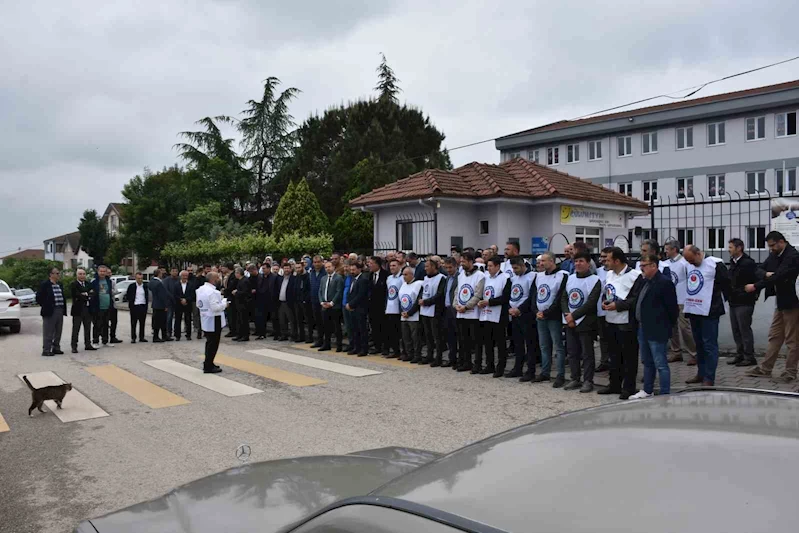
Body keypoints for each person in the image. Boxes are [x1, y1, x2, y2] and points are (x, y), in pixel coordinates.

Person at [745, 231, 799, 382]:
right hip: (780, 303)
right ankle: (765, 369)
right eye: (769, 246)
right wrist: (767, 274)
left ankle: (790, 372)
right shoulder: (775, 254)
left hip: (793, 304)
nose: (771, 249)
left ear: (782, 241)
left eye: (773, 245)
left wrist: (756, 286)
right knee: (775, 336)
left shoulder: (792, 256)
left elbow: (780, 276)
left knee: (792, 339)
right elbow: (759, 269)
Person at [629, 253, 678, 399]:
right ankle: (647, 390)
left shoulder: (664, 282)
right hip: (643, 327)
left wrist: (666, 326)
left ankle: (664, 393)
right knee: (647, 361)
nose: (641, 269)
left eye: (644, 266)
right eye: (641, 266)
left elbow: (672, 309)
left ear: (654, 266)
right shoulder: (645, 281)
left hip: (657, 329)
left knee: (660, 363)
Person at [682, 245, 730, 386]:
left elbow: (726, 285)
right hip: (694, 309)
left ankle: (709, 378)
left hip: (710, 310)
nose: (691, 263)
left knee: (709, 345)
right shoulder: (688, 265)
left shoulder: (715, 264)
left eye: (692, 260)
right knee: (699, 345)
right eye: (688, 261)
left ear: (698, 254)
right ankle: (701, 373)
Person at [599, 247, 643, 400]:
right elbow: (608, 292)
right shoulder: (609, 274)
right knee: (614, 355)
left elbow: (636, 300)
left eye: (608, 260)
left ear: (617, 261)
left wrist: (618, 305)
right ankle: (614, 384)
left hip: (626, 322)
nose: (605, 262)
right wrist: (605, 303)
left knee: (629, 356)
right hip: (610, 320)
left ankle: (628, 387)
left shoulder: (635, 276)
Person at [561, 251, 601, 393]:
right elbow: (564, 298)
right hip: (569, 321)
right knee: (572, 352)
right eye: (576, 261)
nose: (577, 264)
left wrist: (574, 316)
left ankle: (588, 380)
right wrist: (567, 315)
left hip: (586, 321)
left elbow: (591, 303)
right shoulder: (570, 278)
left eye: (581, 261)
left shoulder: (595, 280)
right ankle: (575, 378)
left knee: (587, 353)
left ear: (588, 263)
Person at [534, 252, 569, 385]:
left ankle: (560, 375)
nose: (541, 264)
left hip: (554, 316)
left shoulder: (563, 275)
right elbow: (534, 295)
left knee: (558, 347)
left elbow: (560, 297)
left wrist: (547, 312)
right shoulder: (539, 276)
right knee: (544, 346)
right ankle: (545, 372)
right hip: (540, 315)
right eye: (540, 261)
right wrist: (536, 311)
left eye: (544, 261)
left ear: (552, 261)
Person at [663, 240, 697, 364]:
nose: (665, 251)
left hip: (682, 298)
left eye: (667, 249)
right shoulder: (665, 264)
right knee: (672, 327)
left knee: (684, 327)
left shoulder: (685, 263)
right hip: (670, 299)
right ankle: (676, 351)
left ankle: (694, 353)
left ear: (674, 250)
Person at [476, 256, 511, 377]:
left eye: (491, 266)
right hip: (486, 314)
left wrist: (489, 302)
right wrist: (481, 301)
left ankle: (500, 367)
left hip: (499, 315)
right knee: (488, 342)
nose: (489, 268)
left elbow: (505, 297)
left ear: (497, 266)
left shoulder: (505, 278)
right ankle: (489, 365)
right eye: (488, 266)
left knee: (500, 343)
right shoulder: (486, 277)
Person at [726, 238, 758, 367]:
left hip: (744, 301)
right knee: (736, 330)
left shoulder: (748, 263)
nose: (729, 250)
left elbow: (754, 281)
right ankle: (740, 354)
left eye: (731, 247)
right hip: (734, 301)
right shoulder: (733, 262)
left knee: (744, 329)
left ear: (739, 248)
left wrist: (747, 294)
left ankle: (749, 356)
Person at [507, 256, 538, 381]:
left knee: (530, 344)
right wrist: (511, 308)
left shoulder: (532, 277)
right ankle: (517, 368)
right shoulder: (514, 278)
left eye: (516, 268)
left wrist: (520, 309)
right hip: (514, 315)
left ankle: (530, 370)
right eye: (513, 268)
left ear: (523, 265)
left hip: (526, 315)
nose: (514, 270)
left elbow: (531, 296)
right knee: (518, 343)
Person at [455, 252, 485, 372]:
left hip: (473, 313)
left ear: (471, 261)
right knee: (463, 339)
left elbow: (478, 294)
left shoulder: (480, 275)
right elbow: (457, 291)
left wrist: (466, 307)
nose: (462, 263)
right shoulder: (461, 274)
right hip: (460, 312)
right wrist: (456, 305)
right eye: (461, 261)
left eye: (464, 261)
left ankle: (477, 364)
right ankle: (466, 362)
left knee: (476, 341)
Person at [196, 271, 227, 373]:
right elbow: (215, 308)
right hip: (214, 319)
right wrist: (224, 303)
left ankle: (209, 362)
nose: (219, 280)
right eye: (217, 278)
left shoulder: (200, 290)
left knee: (209, 342)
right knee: (213, 344)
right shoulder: (213, 292)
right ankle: (208, 365)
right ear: (213, 280)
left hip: (205, 317)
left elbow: (198, 304)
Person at [419, 257, 446, 366]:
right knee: (428, 335)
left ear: (434, 267)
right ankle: (429, 355)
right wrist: (421, 299)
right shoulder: (425, 278)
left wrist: (427, 302)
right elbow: (422, 291)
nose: (425, 269)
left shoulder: (441, 278)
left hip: (435, 310)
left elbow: (440, 294)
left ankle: (438, 357)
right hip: (424, 310)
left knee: (437, 336)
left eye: (427, 266)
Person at [36, 266, 66, 356]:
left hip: (59, 309)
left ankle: (56, 347)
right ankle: (46, 349)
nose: (58, 275)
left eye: (58, 273)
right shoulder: (45, 284)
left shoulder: (59, 284)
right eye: (56, 273)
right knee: (48, 331)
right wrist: (46, 305)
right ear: (51, 274)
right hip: (50, 311)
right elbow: (38, 297)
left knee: (58, 330)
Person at [399, 266, 424, 363]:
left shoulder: (418, 284)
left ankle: (417, 355)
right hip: (404, 315)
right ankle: (409, 354)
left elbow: (417, 301)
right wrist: (402, 312)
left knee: (415, 337)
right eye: (403, 275)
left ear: (412, 275)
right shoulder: (403, 285)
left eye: (406, 275)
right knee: (406, 336)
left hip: (414, 316)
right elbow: (400, 300)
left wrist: (409, 313)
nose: (404, 277)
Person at [318, 261, 344, 352]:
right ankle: (327, 344)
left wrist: (332, 303)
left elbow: (339, 292)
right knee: (326, 326)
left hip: (334, 306)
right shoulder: (323, 278)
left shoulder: (338, 278)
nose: (327, 269)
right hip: (324, 305)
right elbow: (320, 291)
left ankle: (339, 345)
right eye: (326, 267)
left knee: (337, 326)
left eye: (329, 267)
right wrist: (322, 302)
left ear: (333, 267)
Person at [69, 268, 96, 354]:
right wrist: (85, 295)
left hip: (88, 310)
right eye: (80, 274)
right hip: (78, 310)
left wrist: (84, 294)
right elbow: (77, 295)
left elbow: (93, 293)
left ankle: (88, 344)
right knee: (76, 329)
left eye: (83, 274)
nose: (82, 275)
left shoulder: (89, 284)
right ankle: (74, 346)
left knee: (88, 328)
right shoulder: (74, 284)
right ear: (77, 275)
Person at [346, 261, 369, 356]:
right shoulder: (352, 279)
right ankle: (356, 347)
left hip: (360, 308)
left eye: (354, 270)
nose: (352, 271)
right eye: (351, 270)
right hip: (353, 308)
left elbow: (361, 295)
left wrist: (351, 304)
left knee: (361, 329)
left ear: (359, 269)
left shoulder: (363, 279)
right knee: (354, 329)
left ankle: (363, 349)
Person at [367, 256, 389, 355]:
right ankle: (377, 346)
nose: (369, 265)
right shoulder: (370, 275)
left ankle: (385, 347)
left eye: (371, 263)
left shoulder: (385, 275)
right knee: (374, 327)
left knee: (383, 327)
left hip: (382, 306)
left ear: (377, 264)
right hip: (372, 306)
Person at [595, 247, 612, 372]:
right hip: (601, 309)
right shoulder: (598, 271)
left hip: (614, 309)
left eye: (605, 257)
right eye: (602, 257)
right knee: (603, 337)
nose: (603, 259)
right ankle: (604, 360)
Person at [384, 258, 404, 359]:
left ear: (399, 266)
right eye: (391, 266)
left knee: (400, 332)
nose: (392, 268)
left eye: (394, 265)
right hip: (390, 308)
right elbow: (387, 293)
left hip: (399, 308)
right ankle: (395, 350)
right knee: (392, 331)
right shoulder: (389, 278)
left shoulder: (402, 278)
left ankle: (404, 351)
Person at [91, 265, 115, 347]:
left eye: (104, 271)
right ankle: (95, 341)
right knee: (97, 324)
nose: (102, 273)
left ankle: (105, 340)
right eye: (101, 271)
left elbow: (110, 293)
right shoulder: (94, 282)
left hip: (107, 306)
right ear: (98, 272)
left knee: (106, 324)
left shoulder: (109, 281)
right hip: (98, 307)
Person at [442, 257, 460, 368]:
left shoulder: (459, 278)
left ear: (455, 266)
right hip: (447, 309)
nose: (448, 270)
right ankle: (452, 357)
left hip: (456, 309)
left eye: (450, 267)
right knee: (450, 335)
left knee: (459, 335)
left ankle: (460, 358)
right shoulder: (447, 278)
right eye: (446, 267)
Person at [149, 268, 172, 342]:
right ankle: (157, 337)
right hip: (160, 305)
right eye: (161, 273)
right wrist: (166, 305)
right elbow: (162, 295)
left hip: (155, 304)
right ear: (159, 274)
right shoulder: (159, 283)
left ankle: (163, 336)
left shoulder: (152, 282)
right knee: (161, 321)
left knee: (158, 321)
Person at [276, 263, 297, 341]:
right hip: (281, 302)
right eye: (285, 268)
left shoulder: (293, 279)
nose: (286, 270)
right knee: (282, 320)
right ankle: (284, 335)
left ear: (291, 269)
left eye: (288, 268)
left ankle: (293, 335)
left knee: (291, 320)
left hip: (289, 302)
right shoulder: (280, 279)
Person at [172, 270, 195, 341]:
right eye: (183, 276)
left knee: (188, 320)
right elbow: (174, 294)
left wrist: (186, 300)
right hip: (179, 304)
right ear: (180, 276)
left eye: (186, 276)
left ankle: (188, 335)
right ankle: (177, 335)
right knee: (177, 320)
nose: (185, 277)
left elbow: (193, 295)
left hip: (188, 304)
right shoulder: (176, 284)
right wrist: (181, 300)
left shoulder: (191, 284)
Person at [126, 272, 148, 344]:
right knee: (133, 323)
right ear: (135, 278)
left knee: (142, 323)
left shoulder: (145, 286)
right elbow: (128, 296)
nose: (140, 280)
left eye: (141, 278)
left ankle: (141, 337)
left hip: (142, 305)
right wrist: (131, 304)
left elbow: (147, 296)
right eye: (138, 278)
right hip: (134, 306)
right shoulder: (132, 286)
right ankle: (133, 337)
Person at [294, 262, 314, 342]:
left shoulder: (307, 276)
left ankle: (310, 336)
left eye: (299, 267)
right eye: (296, 268)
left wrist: (306, 299)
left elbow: (309, 289)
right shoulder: (297, 276)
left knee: (308, 320)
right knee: (299, 320)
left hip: (305, 302)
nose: (298, 269)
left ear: (303, 267)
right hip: (298, 301)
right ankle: (301, 336)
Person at [309, 255, 326, 347]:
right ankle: (319, 340)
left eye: (318, 262)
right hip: (314, 300)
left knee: (325, 321)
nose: (316, 264)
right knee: (318, 321)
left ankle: (325, 341)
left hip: (323, 300)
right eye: (315, 262)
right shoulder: (311, 272)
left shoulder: (325, 272)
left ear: (322, 262)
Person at [232, 267, 252, 342]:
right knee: (239, 320)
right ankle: (239, 334)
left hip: (244, 303)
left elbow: (246, 292)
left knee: (244, 320)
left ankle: (245, 335)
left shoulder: (245, 281)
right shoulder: (240, 281)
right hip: (239, 303)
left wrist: (236, 292)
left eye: (236, 273)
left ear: (239, 273)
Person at [192, 264, 210, 339]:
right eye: (207, 269)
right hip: (199, 299)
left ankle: (206, 331)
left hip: (207, 299)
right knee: (199, 316)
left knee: (207, 316)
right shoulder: (198, 278)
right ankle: (199, 331)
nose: (208, 270)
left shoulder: (208, 278)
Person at [163, 267, 180, 339]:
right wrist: (173, 298)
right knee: (169, 318)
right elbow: (166, 291)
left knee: (178, 318)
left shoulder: (179, 279)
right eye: (173, 271)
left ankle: (177, 333)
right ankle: (168, 332)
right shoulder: (166, 280)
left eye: (176, 271)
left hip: (178, 301)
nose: (175, 272)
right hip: (169, 302)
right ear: (170, 272)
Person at [223, 262, 238, 338]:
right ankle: (232, 330)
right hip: (228, 297)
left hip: (232, 298)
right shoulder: (228, 276)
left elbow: (231, 287)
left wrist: (225, 291)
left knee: (232, 315)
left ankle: (234, 331)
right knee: (229, 315)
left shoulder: (233, 276)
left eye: (223, 267)